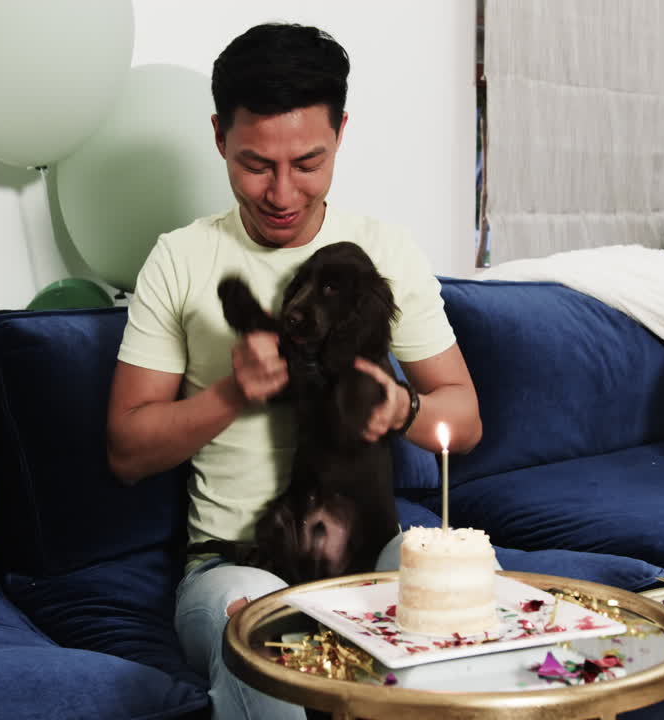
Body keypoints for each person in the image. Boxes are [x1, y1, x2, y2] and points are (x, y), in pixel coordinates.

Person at [106, 22, 482, 720]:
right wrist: (230, 392)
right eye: (255, 164)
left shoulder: (385, 252)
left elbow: (463, 414)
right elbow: (127, 451)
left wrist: (401, 408)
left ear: (341, 131)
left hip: (371, 546)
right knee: (259, 642)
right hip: (234, 563)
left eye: (308, 163)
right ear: (218, 136)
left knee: (458, 595)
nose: (282, 192)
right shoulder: (180, 259)